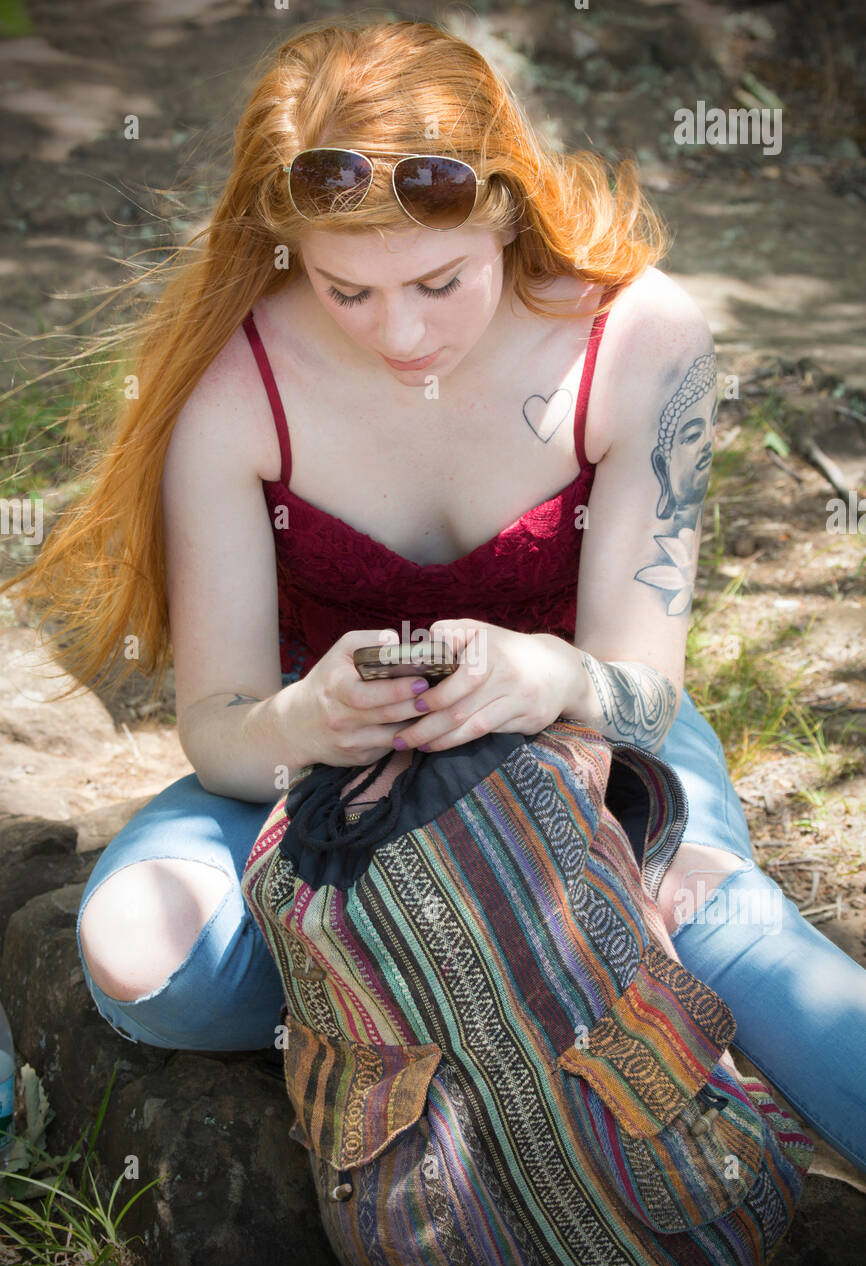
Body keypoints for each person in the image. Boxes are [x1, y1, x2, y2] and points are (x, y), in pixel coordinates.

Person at [3, 17, 864, 1176]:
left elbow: (643, 696)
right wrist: (299, 723)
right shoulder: (233, 380)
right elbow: (219, 724)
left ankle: (484, 973)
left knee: (725, 930)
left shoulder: (639, 337)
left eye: (439, 279)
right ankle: (494, 982)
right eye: (344, 288)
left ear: (506, 208)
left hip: (590, 747)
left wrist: (545, 677)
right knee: (144, 962)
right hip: (327, 785)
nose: (400, 333)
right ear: (288, 249)